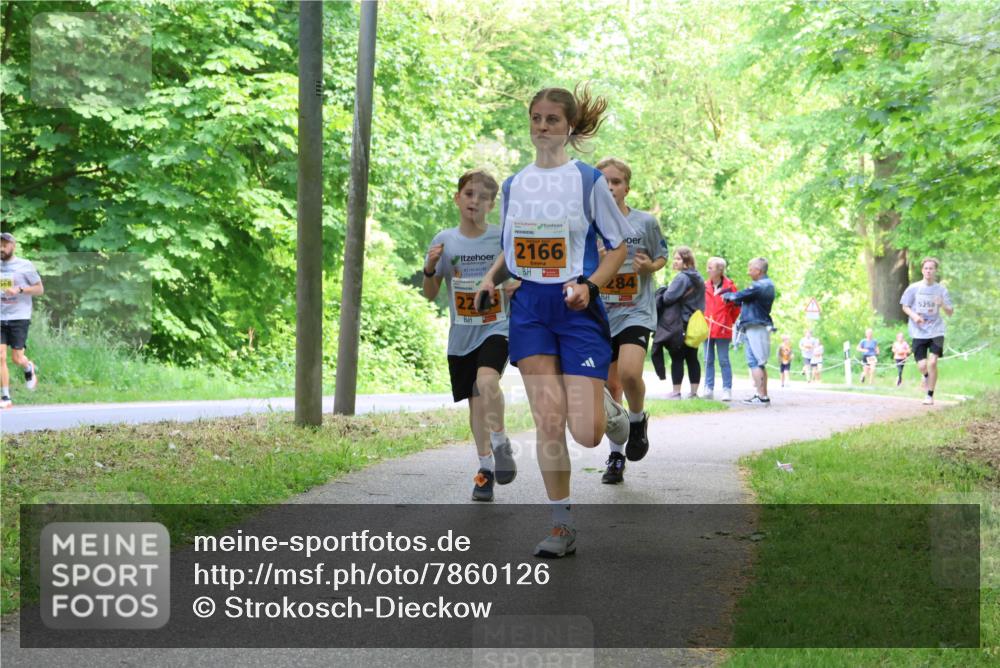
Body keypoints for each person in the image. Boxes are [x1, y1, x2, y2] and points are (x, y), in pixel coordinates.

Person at [476, 85, 633, 557]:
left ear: (569, 127)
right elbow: (512, 245)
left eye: (551, 120)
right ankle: (561, 525)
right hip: (530, 309)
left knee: (585, 433)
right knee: (548, 419)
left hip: (576, 305)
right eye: (536, 118)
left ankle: (608, 408)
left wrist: (592, 286)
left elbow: (619, 246)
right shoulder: (515, 184)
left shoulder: (587, 180)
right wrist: (490, 279)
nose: (542, 127)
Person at [422, 170, 516, 502]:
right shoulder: (443, 240)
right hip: (462, 333)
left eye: (482, 197)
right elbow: (430, 293)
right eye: (469, 194)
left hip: (496, 325)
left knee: (487, 383)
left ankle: (502, 442)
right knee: (476, 404)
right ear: (457, 198)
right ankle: (484, 469)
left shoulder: (500, 239)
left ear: (492, 204)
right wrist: (430, 269)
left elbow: (518, 275)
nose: (474, 201)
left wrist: (510, 285)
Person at [593, 158, 667, 484]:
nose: (610, 187)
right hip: (600, 313)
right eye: (603, 182)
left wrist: (649, 267)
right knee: (611, 386)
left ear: (627, 187)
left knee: (629, 373)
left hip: (636, 310)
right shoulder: (588, 225)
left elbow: (661, 256)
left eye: (616, 181)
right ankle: (616, 456)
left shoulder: (645, 223)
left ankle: (637, 420)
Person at [900, 257, 954, 405]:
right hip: (918, 331)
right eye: (926, 268)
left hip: (937, 330)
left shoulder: (941, 290)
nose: (928, 270)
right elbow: (905, 306)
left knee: (933, 362)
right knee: (923, 366)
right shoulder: (914, 288)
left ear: (935, 271)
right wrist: (915, 316)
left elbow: (950, 312)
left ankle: (929, 395)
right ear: (922, 270)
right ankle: (925, 375)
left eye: (931, 268)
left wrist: (941, 303)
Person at [722, 257, 775, 405]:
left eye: (750, 269)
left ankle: (762, 396)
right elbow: (746, 298)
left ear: (758, 271)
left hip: (755, 326)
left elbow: (740, 295)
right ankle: (763, 395)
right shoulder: (767, 284)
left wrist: (728, 296)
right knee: (760, 362)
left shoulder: (760, 286)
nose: (748, 272)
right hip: (759, 324)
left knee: (754, 361)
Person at [655, 247, 705, 399]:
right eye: (675, 258)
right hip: (695, 323)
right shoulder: (699, 277)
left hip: (679, 322)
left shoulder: (682, 278)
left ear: (686, 261)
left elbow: (668, 298)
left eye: (678, 259)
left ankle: (676, 391)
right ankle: (694, 392)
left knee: (677, 357)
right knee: (692, 357)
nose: (675, 262)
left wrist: (663, 291)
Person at [1, 232, 43, 409]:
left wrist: (19, 290)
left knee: (17, 358)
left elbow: (39, 289)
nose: (1, 248)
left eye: (4, 245)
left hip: (19, 316)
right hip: (0, 316)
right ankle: (5, 397)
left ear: (13, 246)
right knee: (0, 356)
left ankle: (28, 367)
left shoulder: (25, 266)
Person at [702, 256, 739, 401]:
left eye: (710, 268)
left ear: (720, 270)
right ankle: (708, 387)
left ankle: (727, 389)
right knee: (707, 359)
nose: (707, 270)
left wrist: (728, 321)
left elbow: (736, 308)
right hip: (707, 328)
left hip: (723, 329)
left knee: (723, 360)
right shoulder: (705, 286)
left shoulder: (730, 287)